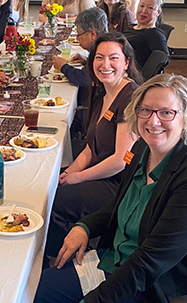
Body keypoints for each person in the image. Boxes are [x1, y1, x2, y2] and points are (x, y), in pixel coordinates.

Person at [36, 73, 187, 303]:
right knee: (35, 289)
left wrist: (95, 300)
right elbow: (122, 202)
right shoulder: (143, 149)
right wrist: (85, 226)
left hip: (151, 285)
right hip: (115, 260)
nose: (153, 121)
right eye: (146, 110)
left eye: (166, 113)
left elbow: (151, 261)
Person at [44, 32, 144, 258]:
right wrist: (68, 173)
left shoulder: (129, 97)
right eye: (99, 58)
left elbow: (120, 160)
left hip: (118, 183)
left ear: (126, 62)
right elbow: (90, 148)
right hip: (98, 173)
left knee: (54, 203)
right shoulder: (103, 91)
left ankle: (63, 260)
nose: (105, 64)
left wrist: (78, 177)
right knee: (49, 185)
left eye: (113, 58)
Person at [52, 7, 108, 138]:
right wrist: (86, 61)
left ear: (92, 34)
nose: (77, 39)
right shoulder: (104, 43)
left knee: (63, 118)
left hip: (99, 108)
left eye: (79, 34)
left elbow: (83, 79)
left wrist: (63, 66)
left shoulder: (104, 50)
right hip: (100, 100)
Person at [124, 0, 169, 69]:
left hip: (133, 74)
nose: (144, 11)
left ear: (158, 12)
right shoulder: (130, 27)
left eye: (150, 8)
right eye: (141, 6)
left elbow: (163, 59)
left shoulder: (155, 34)